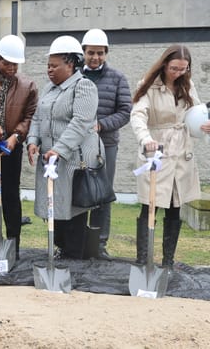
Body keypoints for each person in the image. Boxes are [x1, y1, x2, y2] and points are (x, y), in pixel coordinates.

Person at [26, 35, 101, 260]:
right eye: (48, 65)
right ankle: (59, 249)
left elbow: (81, 122)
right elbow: (38, 117)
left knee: (73, 206)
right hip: (51, 158)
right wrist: (32, 141)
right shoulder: (49, 88)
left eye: (54, 66)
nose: (49, 70)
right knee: (54, 204)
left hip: (73, 159)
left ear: (70, 64)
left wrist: (59, 150)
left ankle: (74, 254)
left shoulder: (84, 86)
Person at [130, 45, 202, 269]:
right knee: (149, 205)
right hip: (157, 152)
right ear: (164, 64)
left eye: (183, 69)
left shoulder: (187, 85)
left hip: (181, 153)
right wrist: (145, 139)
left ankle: (168, 262)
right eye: (174, 68)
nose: (178, 73)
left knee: (175, 207)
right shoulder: (149, 85)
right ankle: (143, 260)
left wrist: (204, 124)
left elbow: (197, 112)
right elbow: (138, 114)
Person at [0, 35, 37, 259]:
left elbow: (30, 116)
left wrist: (16, 136)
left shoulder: (28, 85)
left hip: (12, 147)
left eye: (15, 64)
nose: (11, 67)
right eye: (6, 63)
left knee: (11, 193)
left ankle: (13, 244)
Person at [80, 28, 132, 260]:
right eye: (91, 53)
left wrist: (101, 125)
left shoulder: (118, 78)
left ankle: (99, 245)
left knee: (102, 194)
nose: (95, 58)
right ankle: (76, 243)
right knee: (77, 193)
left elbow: (125, 112)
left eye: (100, 53)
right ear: (83, 52)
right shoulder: (75, 76)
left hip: (106, 144)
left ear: (106, 53)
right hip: (77, 145)